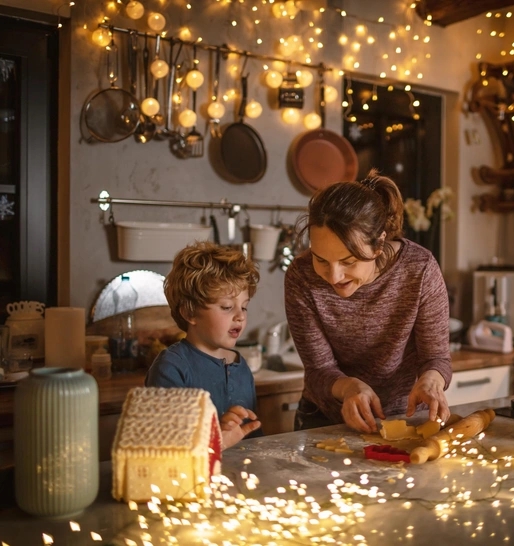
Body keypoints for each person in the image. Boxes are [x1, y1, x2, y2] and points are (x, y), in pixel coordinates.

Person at [285, 170, 452, 434]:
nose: (334, 276)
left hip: (406, 419)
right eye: (321, 259)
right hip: (327, 420)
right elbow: (319, 370)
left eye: (349, 261)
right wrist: (350, 387)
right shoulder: (301, 276)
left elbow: (436, 357)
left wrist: (431, 380)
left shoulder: (419, 269)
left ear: (378, 245)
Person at [146, 241, 262, 449]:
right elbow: (165, 447)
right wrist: (215, 438)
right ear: (190, 313)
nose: (239, 317)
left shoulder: (241, 367)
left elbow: (254, 438)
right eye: (227, 307)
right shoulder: (171, 367)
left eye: (244, 307)